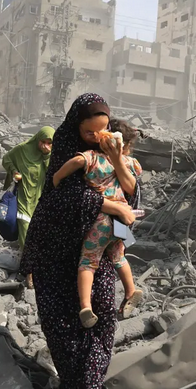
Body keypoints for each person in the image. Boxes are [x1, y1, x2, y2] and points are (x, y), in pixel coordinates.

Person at [20, 93, 137, 389]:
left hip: (99, 248)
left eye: (103, 129)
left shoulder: (113, 152)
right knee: (63, 325)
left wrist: (116, 159)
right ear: (76, 126)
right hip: (57, 253)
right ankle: (75, 381)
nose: (97, 137)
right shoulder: (66, 147)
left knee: (103, 316)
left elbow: (131, 191)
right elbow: (61, 193)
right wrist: (114, 207)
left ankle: (90, 382)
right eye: (89, 132)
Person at [53, 119, 143, 328]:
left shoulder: (93, 158)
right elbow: (134, 183)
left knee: (88, 262)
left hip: (101, 219)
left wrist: (57, 177)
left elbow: (76, 162)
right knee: (119, 256)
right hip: (122, 219)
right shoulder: (130, 163)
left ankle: (85, 306)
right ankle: (131, 290)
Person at [2, 126, 54, 285]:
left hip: (40, 200)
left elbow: (53, 172)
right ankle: (30, 273)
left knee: (40, 235)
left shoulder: (51, 155)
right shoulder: (22, 149)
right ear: (37, 139)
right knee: (26, 234)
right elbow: (6, 159)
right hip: (23, 199)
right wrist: (14, 171)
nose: (46, 145)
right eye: (43, 142)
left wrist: (47, 155)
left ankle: (39, 268)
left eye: (50, 143)